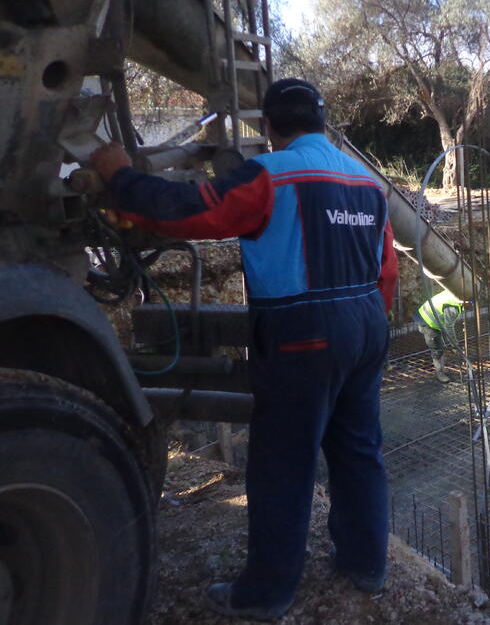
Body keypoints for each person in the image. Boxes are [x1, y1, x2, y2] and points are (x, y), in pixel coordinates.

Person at [88, 78, 398, 620]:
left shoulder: (271, 175)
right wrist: (361, 327)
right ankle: (367, 564)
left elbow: (188, 210)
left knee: (282, 462)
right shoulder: (367, 183)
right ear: (322, 123)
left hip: (302, 332)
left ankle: (267, 594)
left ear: (270, 127)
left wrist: (121, 178)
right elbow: (387, 269)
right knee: (359, 450)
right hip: (368, 322)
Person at [415, 289, 465, 383]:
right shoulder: (452, 308)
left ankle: (442, 369)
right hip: (427, 322)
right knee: (437, 349)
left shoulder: (453, 292)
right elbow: (449, 327)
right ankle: (439, 373)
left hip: (431, 320)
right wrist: (454, 345)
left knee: (440, 346)